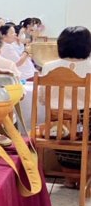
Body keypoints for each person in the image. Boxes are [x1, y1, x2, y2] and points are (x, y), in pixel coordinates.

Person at [39, 26, 91, 181]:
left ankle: (70, 175)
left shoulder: (49, 67)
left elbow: (42, 99)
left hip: (55, 127)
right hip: (85, 128)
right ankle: (82, 175)